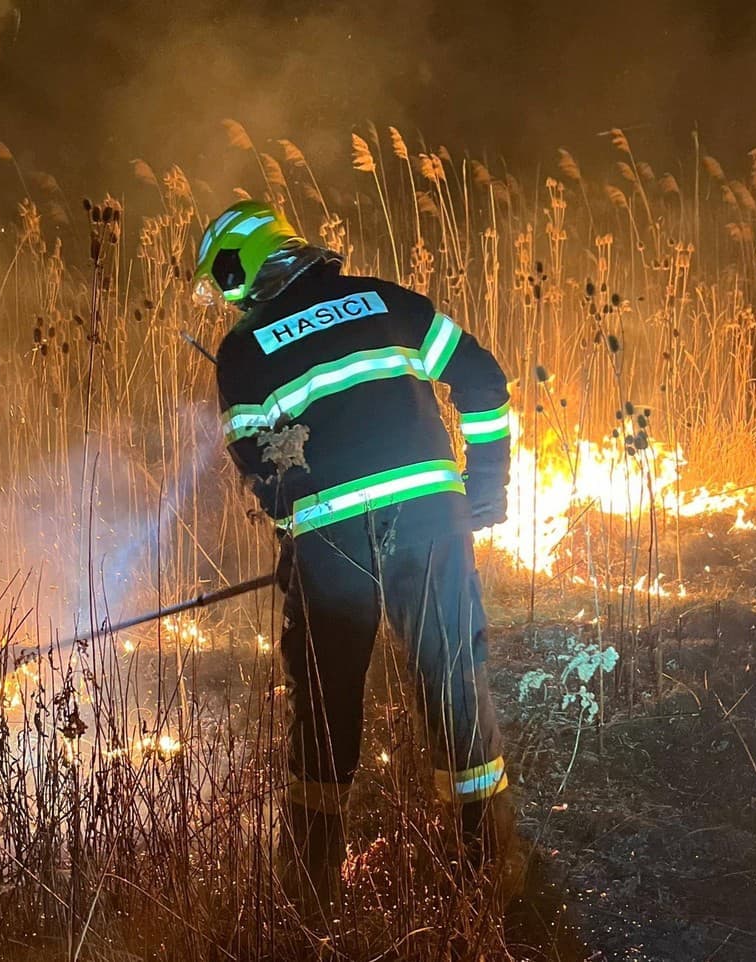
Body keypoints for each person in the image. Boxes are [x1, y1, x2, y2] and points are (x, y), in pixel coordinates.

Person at [194, 199, 518, 911]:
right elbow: (484, 381)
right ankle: (486, 869)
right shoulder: (387, 300)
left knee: (325, 703)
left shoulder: (245, 351)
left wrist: (296, 531)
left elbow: (263, 462)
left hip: (333, 547)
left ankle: (310, 892)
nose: (226, 299)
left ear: (238, 268)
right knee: (455, 686)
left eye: (222, 284)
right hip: (433, 521)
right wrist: (486, 486)